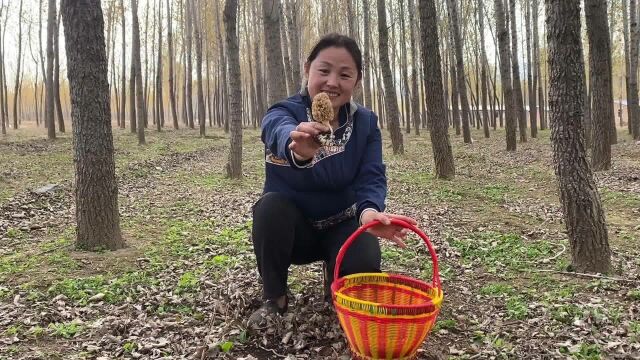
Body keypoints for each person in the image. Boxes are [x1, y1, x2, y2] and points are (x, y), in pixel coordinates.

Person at [248, 33, 417, 328]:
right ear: (307, 69)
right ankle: (275, 299)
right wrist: (297, 146)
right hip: (293, 232)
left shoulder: (365, 123)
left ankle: (335, 278)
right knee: (269, 208)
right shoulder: (285, 112)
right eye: (324, 71)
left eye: (344, 74)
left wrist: (368, 212)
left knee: (364, 257)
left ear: (357, 81)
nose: (332, 82)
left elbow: (371, 174)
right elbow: (275, 129)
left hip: (342, 225)